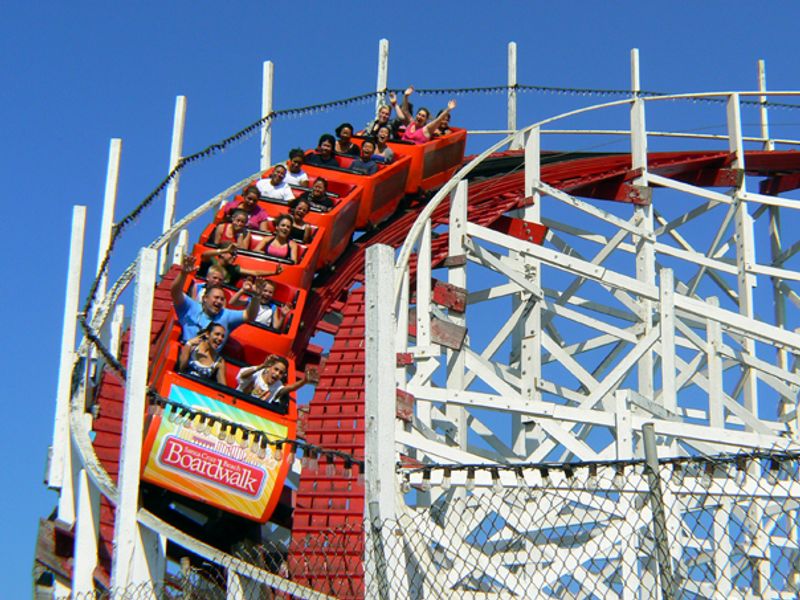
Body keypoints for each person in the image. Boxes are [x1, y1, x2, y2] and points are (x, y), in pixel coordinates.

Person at [170, 255, 261, 344]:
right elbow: (175, 292)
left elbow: (249, 315)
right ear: (205, 298)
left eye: (222, 299)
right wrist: (183, 274)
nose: (219, 302)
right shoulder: (192, 307)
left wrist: (256, 296)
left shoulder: (226, 315)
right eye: (216, 298)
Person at [236, 354, 310, 405]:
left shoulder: (277, 386)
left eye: (281, 373)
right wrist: (261, 366)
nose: (277, 374)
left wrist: (305, 381)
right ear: (270, 367)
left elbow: (291, 387)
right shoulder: (258, 372)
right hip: (237, 401)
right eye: (276, 369)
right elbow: (243, 375)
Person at [198, 244, 281, 286]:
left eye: (235, 255)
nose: (234, 257)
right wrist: (225, 250)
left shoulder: (233, 269)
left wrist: (274, 272)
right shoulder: (212, 261)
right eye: (231, 254)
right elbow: (204, 255)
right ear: (223, 254)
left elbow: (255, 273)